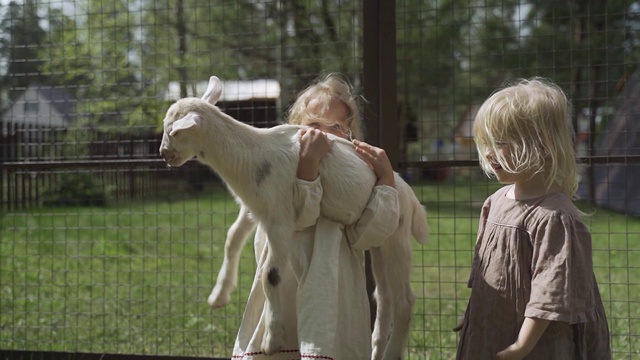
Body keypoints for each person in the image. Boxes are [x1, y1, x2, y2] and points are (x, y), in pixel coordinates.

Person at [232, 73, 399, 359]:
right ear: (291, 130)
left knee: (332, 341)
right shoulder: (278, 171)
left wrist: (386, 181)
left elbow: (370, 234)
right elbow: (299, 218)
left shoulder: (355, 186)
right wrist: (308, 164)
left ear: (350, 135)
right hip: (287, 286)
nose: (323, 134)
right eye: (313, 125)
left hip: (335, 291)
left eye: (335, 126)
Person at [455, 78, 611, 360]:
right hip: (492, 329)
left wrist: (522, 347)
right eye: (487, 142)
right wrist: (474, 315)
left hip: (538, 343)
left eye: (500, 143)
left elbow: (551, 292)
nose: (489, 153)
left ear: (540, 145)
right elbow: (484, 272)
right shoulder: (494, 203)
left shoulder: (554, 216)